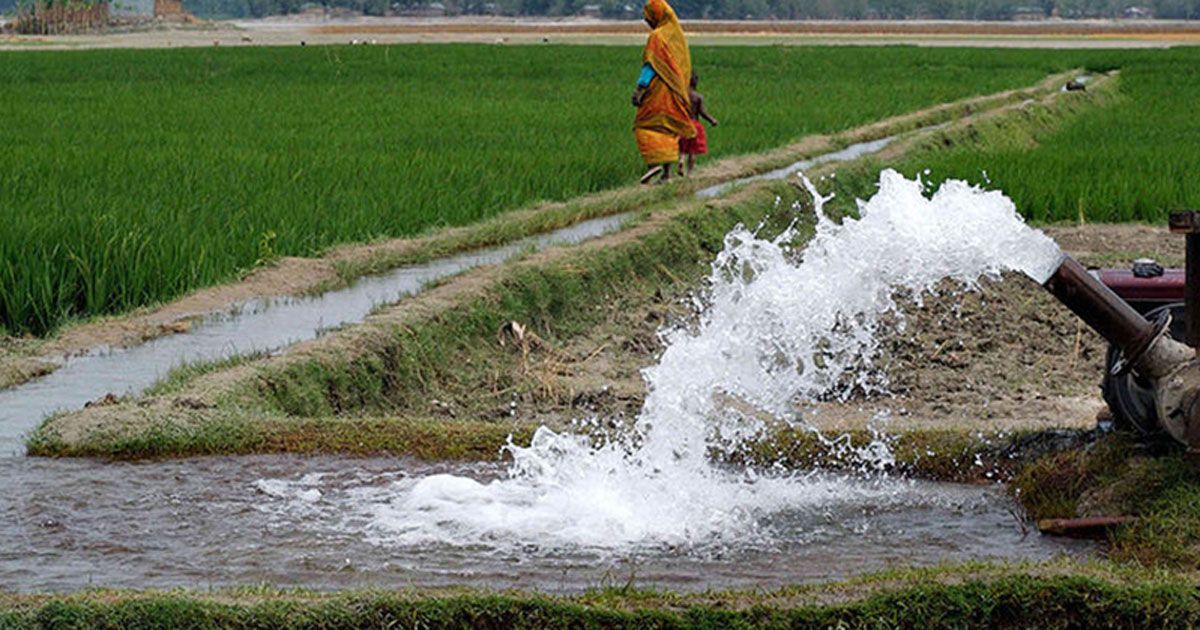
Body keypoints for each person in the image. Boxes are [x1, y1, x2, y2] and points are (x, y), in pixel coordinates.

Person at [630, 0, 695, 185]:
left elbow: (651, 65)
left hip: (658, 92)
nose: (647, 22)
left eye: (648, 17)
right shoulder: (678, 37)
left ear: (656, 16)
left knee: (644, 126)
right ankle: (666, 175)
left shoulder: (657, 37)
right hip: (675, 92)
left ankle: (653, 165)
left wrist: (640, 89)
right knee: (669, 129)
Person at [677, 72, 718, 176]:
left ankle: (681, 161)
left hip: (683, 124)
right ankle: (690, 172)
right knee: (692, 150)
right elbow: (702, 113)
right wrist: (712, 120)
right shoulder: (698, 97)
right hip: (695, 124)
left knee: (682, 147)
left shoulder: (682, 95)